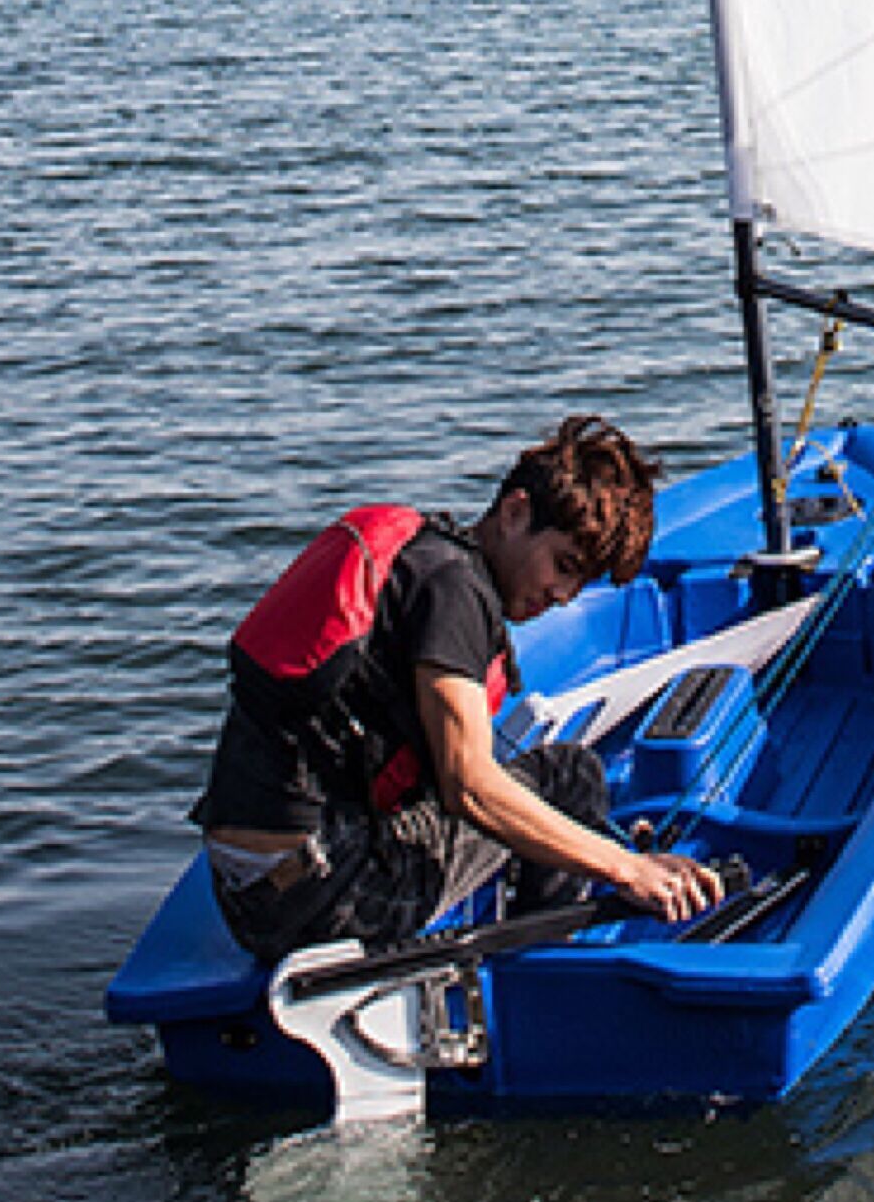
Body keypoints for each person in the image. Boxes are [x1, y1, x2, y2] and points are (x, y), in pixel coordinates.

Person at [194, 412, 725, 964]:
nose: (563, 595)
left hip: (250, 888)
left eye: (579, 582)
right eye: (563, 565)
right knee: (569, 778)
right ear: (515, 512)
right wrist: (627, 867)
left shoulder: (420, 559)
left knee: (529, 785)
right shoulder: (456, 591)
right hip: (324, 900)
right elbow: (469, 787)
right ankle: (545, 971)